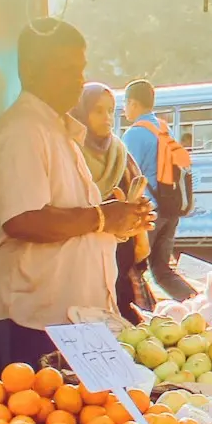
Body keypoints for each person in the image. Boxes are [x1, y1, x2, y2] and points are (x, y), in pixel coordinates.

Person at [0, 21, 150, 371]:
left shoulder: (56, 130)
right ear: (29, 70)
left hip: (70, 318)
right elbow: (23, 219)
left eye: (81, 69)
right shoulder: (23, 131)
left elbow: (73, 219)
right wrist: (103, 217)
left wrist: (120, 221)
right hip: (30, 319)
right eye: (66, 69)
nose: (78, 80)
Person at [72, 82, 150, 323]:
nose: (107, 118)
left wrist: (140, 219)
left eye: (111, 111)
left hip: (121, 265)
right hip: (80, 265)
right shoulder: (69, 154)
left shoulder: (120, 154)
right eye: (98, 111)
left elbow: (137, 197)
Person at [121, 81, 195, 301]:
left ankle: (140, 315)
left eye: (125, 103)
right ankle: (197, 303)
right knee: (162, 271)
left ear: (133, 103)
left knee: (131, 269)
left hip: (149, 214)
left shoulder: (134, 134)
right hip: (170, 209)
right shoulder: (164, 129)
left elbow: (127, 176)